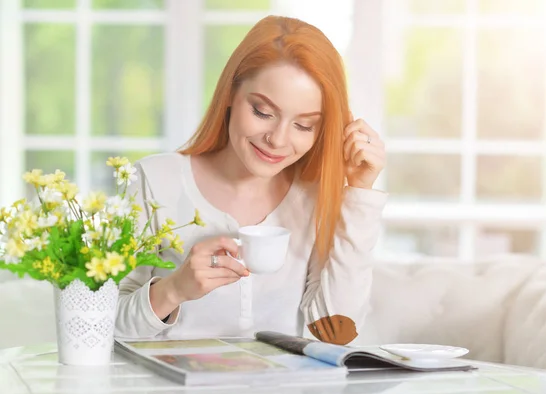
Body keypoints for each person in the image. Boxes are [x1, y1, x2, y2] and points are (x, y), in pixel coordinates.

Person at [115, 15, 387, 345]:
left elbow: (336, 334)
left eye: (304, 126)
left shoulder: (315, 198)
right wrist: (174, 289)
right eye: (262, 112)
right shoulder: (155, 181)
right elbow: (103, 328)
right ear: (230, 93)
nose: (277, 139)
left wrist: (359, 193)